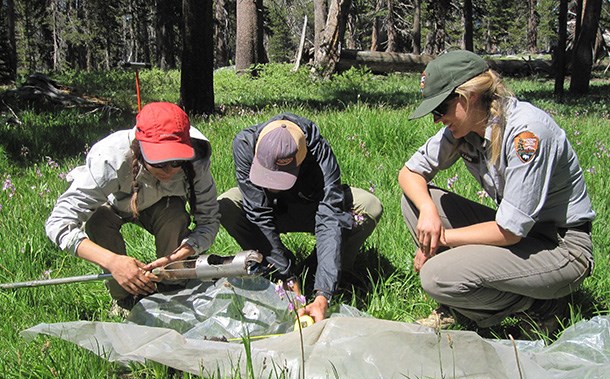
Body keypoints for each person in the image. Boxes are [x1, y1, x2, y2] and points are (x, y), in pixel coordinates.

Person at [398, 50, 595, 335]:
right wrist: (429, 214)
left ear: (469, 96)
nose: (437, 120)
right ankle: (464, 301)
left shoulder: (526, 134)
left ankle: (544, 305)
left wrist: (438, 241)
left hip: (560, 246)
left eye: (441, 109)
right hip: (523, 234)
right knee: (416, 203)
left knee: (436, 276)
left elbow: (510, 231)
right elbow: (409, 173)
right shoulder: (464, 128)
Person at [46, 102, 220, 310]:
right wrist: (113, 262)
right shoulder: (110, 158)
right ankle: (125, 299)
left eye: (177, 162)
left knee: (174, 214)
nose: (169, 170)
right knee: (97, 220)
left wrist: (178, 255)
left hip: (161, 207)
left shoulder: (196, 159)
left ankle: (173, 288)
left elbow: (209, 221)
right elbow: (58, 223)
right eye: (159, 163)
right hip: (112, 206)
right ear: (140, 148)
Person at [218, 113, 383, 323]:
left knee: (369, 206)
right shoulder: (244, 144)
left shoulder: (319, 152)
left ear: (302, 156)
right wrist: (285, 273)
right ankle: (270, 268)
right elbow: (258, 213)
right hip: (271, 211)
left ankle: (324, 271)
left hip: (310, 210)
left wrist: (324, 292)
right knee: (226, 203)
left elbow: (329, 218)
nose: (271, 185)